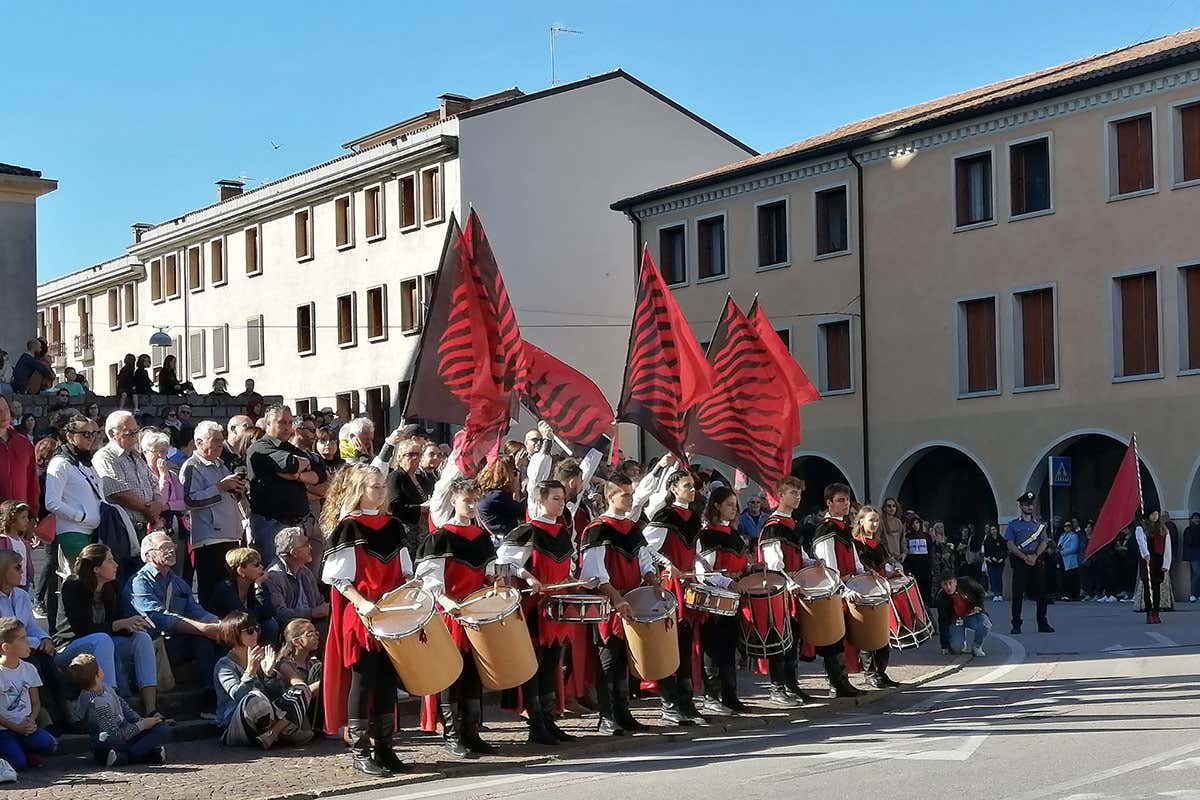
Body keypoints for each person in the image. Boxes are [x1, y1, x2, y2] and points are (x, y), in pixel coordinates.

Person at [322, 464, 413, 774]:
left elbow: (405, 571)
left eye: (382, 487)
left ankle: (385, 748)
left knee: (387, 682)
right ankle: (361, 752)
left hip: (392, 617)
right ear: (360, 491)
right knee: (363, 683)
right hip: (362, 617)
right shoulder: (349, 527)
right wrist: (363, 603)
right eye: (375, 487)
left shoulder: (394, 526)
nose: (381, 492)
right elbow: (338, 578)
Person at [416, 477, 499, 758]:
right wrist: (446, 601)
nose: (473, 505)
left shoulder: (482, 536)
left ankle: (471, 732)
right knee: (452, 675)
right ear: (454, 501)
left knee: (474, 674)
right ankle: (452, 735)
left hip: (476, 614)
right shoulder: (441, 537)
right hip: (451, 615)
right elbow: (431, 580)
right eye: (467, 500)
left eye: (476, 499)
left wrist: (493, 581)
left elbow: (486, 572)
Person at [496, 480, 579, 744]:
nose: (561, 503)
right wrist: (527, 576)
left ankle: (548, 718)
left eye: (562, 498)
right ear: (541, 500)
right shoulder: (527, 531)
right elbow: (503, 562)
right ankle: (536, 723)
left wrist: (575, 579)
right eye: (555, 498)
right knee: (536, 664)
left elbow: (569, 565)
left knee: (552, 663)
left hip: (557, 606)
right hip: (535, 609)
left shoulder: (563, 532)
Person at [579, 476, 660, 734]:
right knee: (608, 659)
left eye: (630, 493)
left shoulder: (633, 528)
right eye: (624, 494)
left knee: (625, 658)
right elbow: (595, 570)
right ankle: (607, 716)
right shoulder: (598, 528)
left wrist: (650, 575)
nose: (630, 498)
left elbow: (643, 557)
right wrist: (615, 597)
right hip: (610, 602)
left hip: (632, 599)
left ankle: (624, 712)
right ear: (610, 497)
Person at [55, 544, 159, 714]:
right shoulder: (72, 587)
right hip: (69, 646)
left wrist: (132, 625)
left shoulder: (111, 587)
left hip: (103, 643)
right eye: (110, 561)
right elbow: (82, 629)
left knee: (141, 638)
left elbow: (117, 622)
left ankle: (151, 708)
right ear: (96, 568)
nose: (116, 565)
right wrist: (119, 624)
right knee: (102, 639)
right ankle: (111, 710)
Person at [642, 469, 709, 722]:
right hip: (672, 586)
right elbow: (645, 547)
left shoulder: (693, 516)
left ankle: (685, 699)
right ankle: (669, 702)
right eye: (686, 485)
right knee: (672, 643)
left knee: (686, 643)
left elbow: (695, 552)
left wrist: (704, 570)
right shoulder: (665, 515)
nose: (692, 490)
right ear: (673, 489)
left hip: (689, 582)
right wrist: (667, 564)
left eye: (693, 486)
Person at [129, 532, 220, 692]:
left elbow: (195, 609)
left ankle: (217, 693)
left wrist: (218, 624)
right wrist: (203, 629)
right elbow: (158, 618)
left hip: (172, 642)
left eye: (172, 546)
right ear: (149, 555)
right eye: (165, 547)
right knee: (203, 637)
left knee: (217, 638)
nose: (171, 551)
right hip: (150, 645)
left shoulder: (177, 581)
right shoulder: (140, 582)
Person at [758, 475, 818, 707]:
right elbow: (774, 564)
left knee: (792, 641)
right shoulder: (774, 527)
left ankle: (792, 685)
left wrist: (813, 562)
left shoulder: (791, 524)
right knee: (780, 641)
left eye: (799, 493)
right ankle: (777, 689)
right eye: (792, 493)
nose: (798, 497)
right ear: (780, 496)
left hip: (792, 590)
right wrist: (790, 582)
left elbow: (798, 555)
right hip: (778, 591)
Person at [213, 611, 313, 749]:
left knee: (301, 689)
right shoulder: (224, 665)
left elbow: (276, 696)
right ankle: (283, 731)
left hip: (266, 720)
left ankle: (273, 734)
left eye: (256, 629)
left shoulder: (260, 658)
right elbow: (238, 696)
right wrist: (250, 670)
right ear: (233, 634)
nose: (255, 634)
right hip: (235, 725)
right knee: (255, 697)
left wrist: (269, 674)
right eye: (249, 631)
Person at [694, 486, 752, 713]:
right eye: (729, 504)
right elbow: (704, 572)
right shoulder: (707, 535)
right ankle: (712, 696)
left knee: (729, 647)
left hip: (734, 597)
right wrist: (728, 582)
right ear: (716, 506)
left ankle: (730, 695)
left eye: (735, 505)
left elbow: (741, 564)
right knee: (714, 648)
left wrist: (753, 567)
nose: (733, 509)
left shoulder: (734, 534)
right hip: (714, 600)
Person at [182, 421, 249, 608]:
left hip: (230, 533)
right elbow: (189, 500)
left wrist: (236, 488)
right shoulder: (191, 467)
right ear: (199, 442)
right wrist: (220, 487)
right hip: (209, 539)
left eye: (222, 440)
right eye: (215, 441)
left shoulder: (221, 465)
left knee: (229, 588)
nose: (221, 444)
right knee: (212, 589)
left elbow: (227, 495)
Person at [811, 483, 867, 698]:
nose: (845, 504)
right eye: (840, 500)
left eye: (847, 499)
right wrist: (843, 589)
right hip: (834, 592)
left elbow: (855, 562)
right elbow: (830, 569)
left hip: (847, 588)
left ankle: (844, 681)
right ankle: (837, 684)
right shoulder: (826, 529)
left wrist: (864, 575)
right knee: (834, 640)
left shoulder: (843, 527)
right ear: (829, 503)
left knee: (843, 638)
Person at [68, 652, 169, 766]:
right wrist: (142, 725)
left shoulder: (107, 688)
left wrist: (144, 722)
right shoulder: (98, 703)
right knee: (160, 732)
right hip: (109, 742)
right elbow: (113, 736)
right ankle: (134, 756)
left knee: (160, 727)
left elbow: (126, 710)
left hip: (126, 732)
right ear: (97, 674)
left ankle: (128, 756)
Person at [246, 405, 317, 565]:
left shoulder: (290, 447)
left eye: (290, 422)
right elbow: (290, 464)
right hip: (271, 524)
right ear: (267, 423)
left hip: (297, 523)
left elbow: (319, 474)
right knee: (273, 572)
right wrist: (300, 467)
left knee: (298, 574)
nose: (287, 427)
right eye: (282, 422)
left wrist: (297, 475)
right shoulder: (260, 448)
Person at [94, 411, 163, 557]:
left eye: (136, 431)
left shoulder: (137, 457)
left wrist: (157, 503)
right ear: (113, 434)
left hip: (145, 526)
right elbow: (116, 491)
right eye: (129, 432)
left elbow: (153, 483)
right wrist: (148, 510)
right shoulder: (105, 457)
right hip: (123, 528)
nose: (134, 436)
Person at [849, 504, 902, 689]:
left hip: (880, 592)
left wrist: (892, 573)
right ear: (861, 521)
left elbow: (884, 567)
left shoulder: (879, 545)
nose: (875, 524)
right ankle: (870, 674)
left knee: (882, 635)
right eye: (871, 520)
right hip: (864, 593)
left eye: (877, 520)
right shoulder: (854, 544)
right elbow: (854, 568)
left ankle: (881, 672)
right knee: (868, 635)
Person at [0, 617, 57, 770]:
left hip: (26, 727)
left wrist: (31, 721)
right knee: (18, 763)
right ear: (6, 647)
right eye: (23, 639)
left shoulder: (29, 669)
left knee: (49, 744)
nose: (29, 642)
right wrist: (15, 727)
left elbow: (35, 702)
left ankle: (24, 750)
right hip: (5, 730)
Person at [142, 430, 191, 584]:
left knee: (178, 566)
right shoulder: (144, 475)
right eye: (156, 451)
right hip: (154, 527)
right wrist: (163, 477)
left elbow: (183, 502)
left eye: (164, 451)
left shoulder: (173, 475)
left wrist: (169, 505)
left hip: (176, 526)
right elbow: (159, 501)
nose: (161, 456)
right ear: (145, 452)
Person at [1006, 491, 1053, 634]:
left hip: (1036, 560)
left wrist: (1035, 555)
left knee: (1041, 593)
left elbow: (1044, 542)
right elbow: (1010, 544)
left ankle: (1042, 623)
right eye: (1026, 504)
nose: (1029, 507)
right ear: (1021, 506)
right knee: (1018, 594)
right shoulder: (1013, 525)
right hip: (1021, 561)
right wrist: (1024, 557)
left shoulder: (1038, 526)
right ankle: (1016, 624)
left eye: (1031, 505)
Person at [210, 548, 280, 645]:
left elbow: (268, 613)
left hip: (250, 627)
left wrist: (258, 587)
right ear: (241, 570)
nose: (262, 567)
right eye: (256, 565)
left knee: (270, 625)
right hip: (228, 631)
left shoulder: (258, 584)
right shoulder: (226, 589)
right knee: (252, 627)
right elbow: (243, 618)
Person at [265, 527, 329, 633]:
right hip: (292, 629)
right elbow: (280, 614)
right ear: (294, 553)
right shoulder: (274, 576)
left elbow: (319, 602)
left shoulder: (305, 572)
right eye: (306, 545)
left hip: (311, 625)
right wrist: (312, 613)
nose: (310, 548)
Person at [273, 618, 323, 732]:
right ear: (296, 641)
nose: (316, 636)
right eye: (310, 634)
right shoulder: (284, 663)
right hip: (291, 711)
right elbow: (300, 689)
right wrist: (325, 683)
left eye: (316, 632)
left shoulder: (313, 663)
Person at [0, 399, 40, 526]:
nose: (4, 414)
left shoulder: (24, 443)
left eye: (6, 409)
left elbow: (32, 482)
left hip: (20, 521)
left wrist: (32, 516)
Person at [386, 439, 427, 555]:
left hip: (423, 530)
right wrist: (419, 508)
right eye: (410, 454)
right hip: (405, 532)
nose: (415, 458)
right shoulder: (395, 478)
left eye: (418, 455)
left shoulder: (421, 479)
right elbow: (393, 507)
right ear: (400, 457)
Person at [935, 575, 991, 656]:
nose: (948, 587)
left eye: (950, 583)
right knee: (957, 648)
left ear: (955, 582)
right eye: (945, 584)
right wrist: (944, 646)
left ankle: (977, 646)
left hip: (972, 614)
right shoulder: (941, 597)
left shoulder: (966, 582)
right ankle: (960, 640)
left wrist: (978, 605)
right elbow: (942, 621)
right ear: (941, 585)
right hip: (955, 620)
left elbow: (981, 591)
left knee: (985, 624)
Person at [476, 455, 525, 542]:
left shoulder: (489, 495)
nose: (516, 476)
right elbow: (522, 511)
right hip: (504, 543)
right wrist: (518, 488)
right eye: (514, 472)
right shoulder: (498, 497)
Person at [1135, 508, 1172, 624]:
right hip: (1147, 560)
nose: (1155, 516)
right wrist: (1145, 554)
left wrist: (1166, 563)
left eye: (1157, 514)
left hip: (1158, 560)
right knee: (1148, 587)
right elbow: (1141, 541)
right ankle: (1149, 612)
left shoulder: (1163, 529)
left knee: (1156, 588)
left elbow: (1167, 547)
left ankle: (1156, 612)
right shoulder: (1142, 528)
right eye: (1153, 514)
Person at [0, 503, 33, 592]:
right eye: (23, 517)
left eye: (27, 517)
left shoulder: (23, 542)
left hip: (23, 583)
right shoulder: (3, 541)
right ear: (12, 520)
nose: (27, 520)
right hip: (7, 584)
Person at [902, 512, 933, 605]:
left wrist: (931, 568)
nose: (915, 526)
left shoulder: (927, 537)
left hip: (926, 569)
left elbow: (930, 552)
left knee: (926, 593)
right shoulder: (907, 537)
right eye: (912, 524)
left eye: (917, 523)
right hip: (913, 569)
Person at [1058, 521, 1083, 601]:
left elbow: (1074, 548)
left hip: (1070, 559)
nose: (1066, 527)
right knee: (1063, 577)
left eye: (1068, 526)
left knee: (1070, 578)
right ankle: (1064, 594)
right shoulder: (1062, 536)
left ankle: (1071, 594)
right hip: (1062, 559)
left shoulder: (1073, 536)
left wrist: (1063, 552)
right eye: (1065, 526)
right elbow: (1059, 545)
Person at [983, 523, 1006, 601]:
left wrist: (1002, 558)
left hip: (1000, 562)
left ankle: (1000, 594)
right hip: (991, 562)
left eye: (995, 529)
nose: (994, 531)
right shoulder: (988, 540)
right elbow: (986, 551)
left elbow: (1005, 551)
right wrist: (990, 558)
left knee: (999, 577)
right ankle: (995, 593)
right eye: (992, 530)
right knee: (993, 578)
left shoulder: (1001, 539)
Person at [1184, 512, 1200, 603]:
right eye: (1195, 518)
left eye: (1198, 518)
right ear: (1192, 519)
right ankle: (1193, 594)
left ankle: (1198, 594)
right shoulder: (1189, 529)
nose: (1197, 520)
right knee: (1196, 574)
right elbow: (1188, 542)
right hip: (1194, 554)